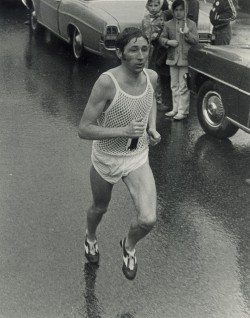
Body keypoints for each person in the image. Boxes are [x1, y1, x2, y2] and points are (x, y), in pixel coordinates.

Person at [78, 27, 161, 280]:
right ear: (120, 53)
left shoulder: (152, 77)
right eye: (133, 50)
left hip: (137, 158)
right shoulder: (107, 83)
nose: (140, 56)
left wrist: (152, 127)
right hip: (107, 158)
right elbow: (83, 129)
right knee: (100, 208)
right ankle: (90, 237)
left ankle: (129, 246)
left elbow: (151, 100)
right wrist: (123, 131)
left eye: (145, 49)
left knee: (147, 219)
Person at [160, 0, 199, 120]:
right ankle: (175, 109)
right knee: (174, 85)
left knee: (184, 86)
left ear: (185, 10)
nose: (178, 12)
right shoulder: (168, 24)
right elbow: (161, 38)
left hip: (185, 60)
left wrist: (187, 34)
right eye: (176, 10)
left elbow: (196, 40)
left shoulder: (191, 24)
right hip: (172, 59)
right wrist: (168, 42)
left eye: (181, 10)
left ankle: (183, 111)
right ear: (173, 11)